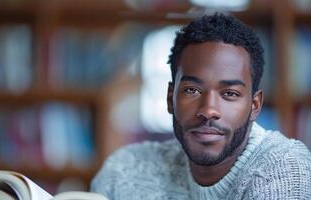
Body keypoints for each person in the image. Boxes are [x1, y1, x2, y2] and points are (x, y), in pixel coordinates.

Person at [90, 13, 311, 199]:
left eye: (229, 94)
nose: (208, 110)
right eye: (192, 90)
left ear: (254, 106)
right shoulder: (125, 170)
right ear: (170, 98)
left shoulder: (285, 168)